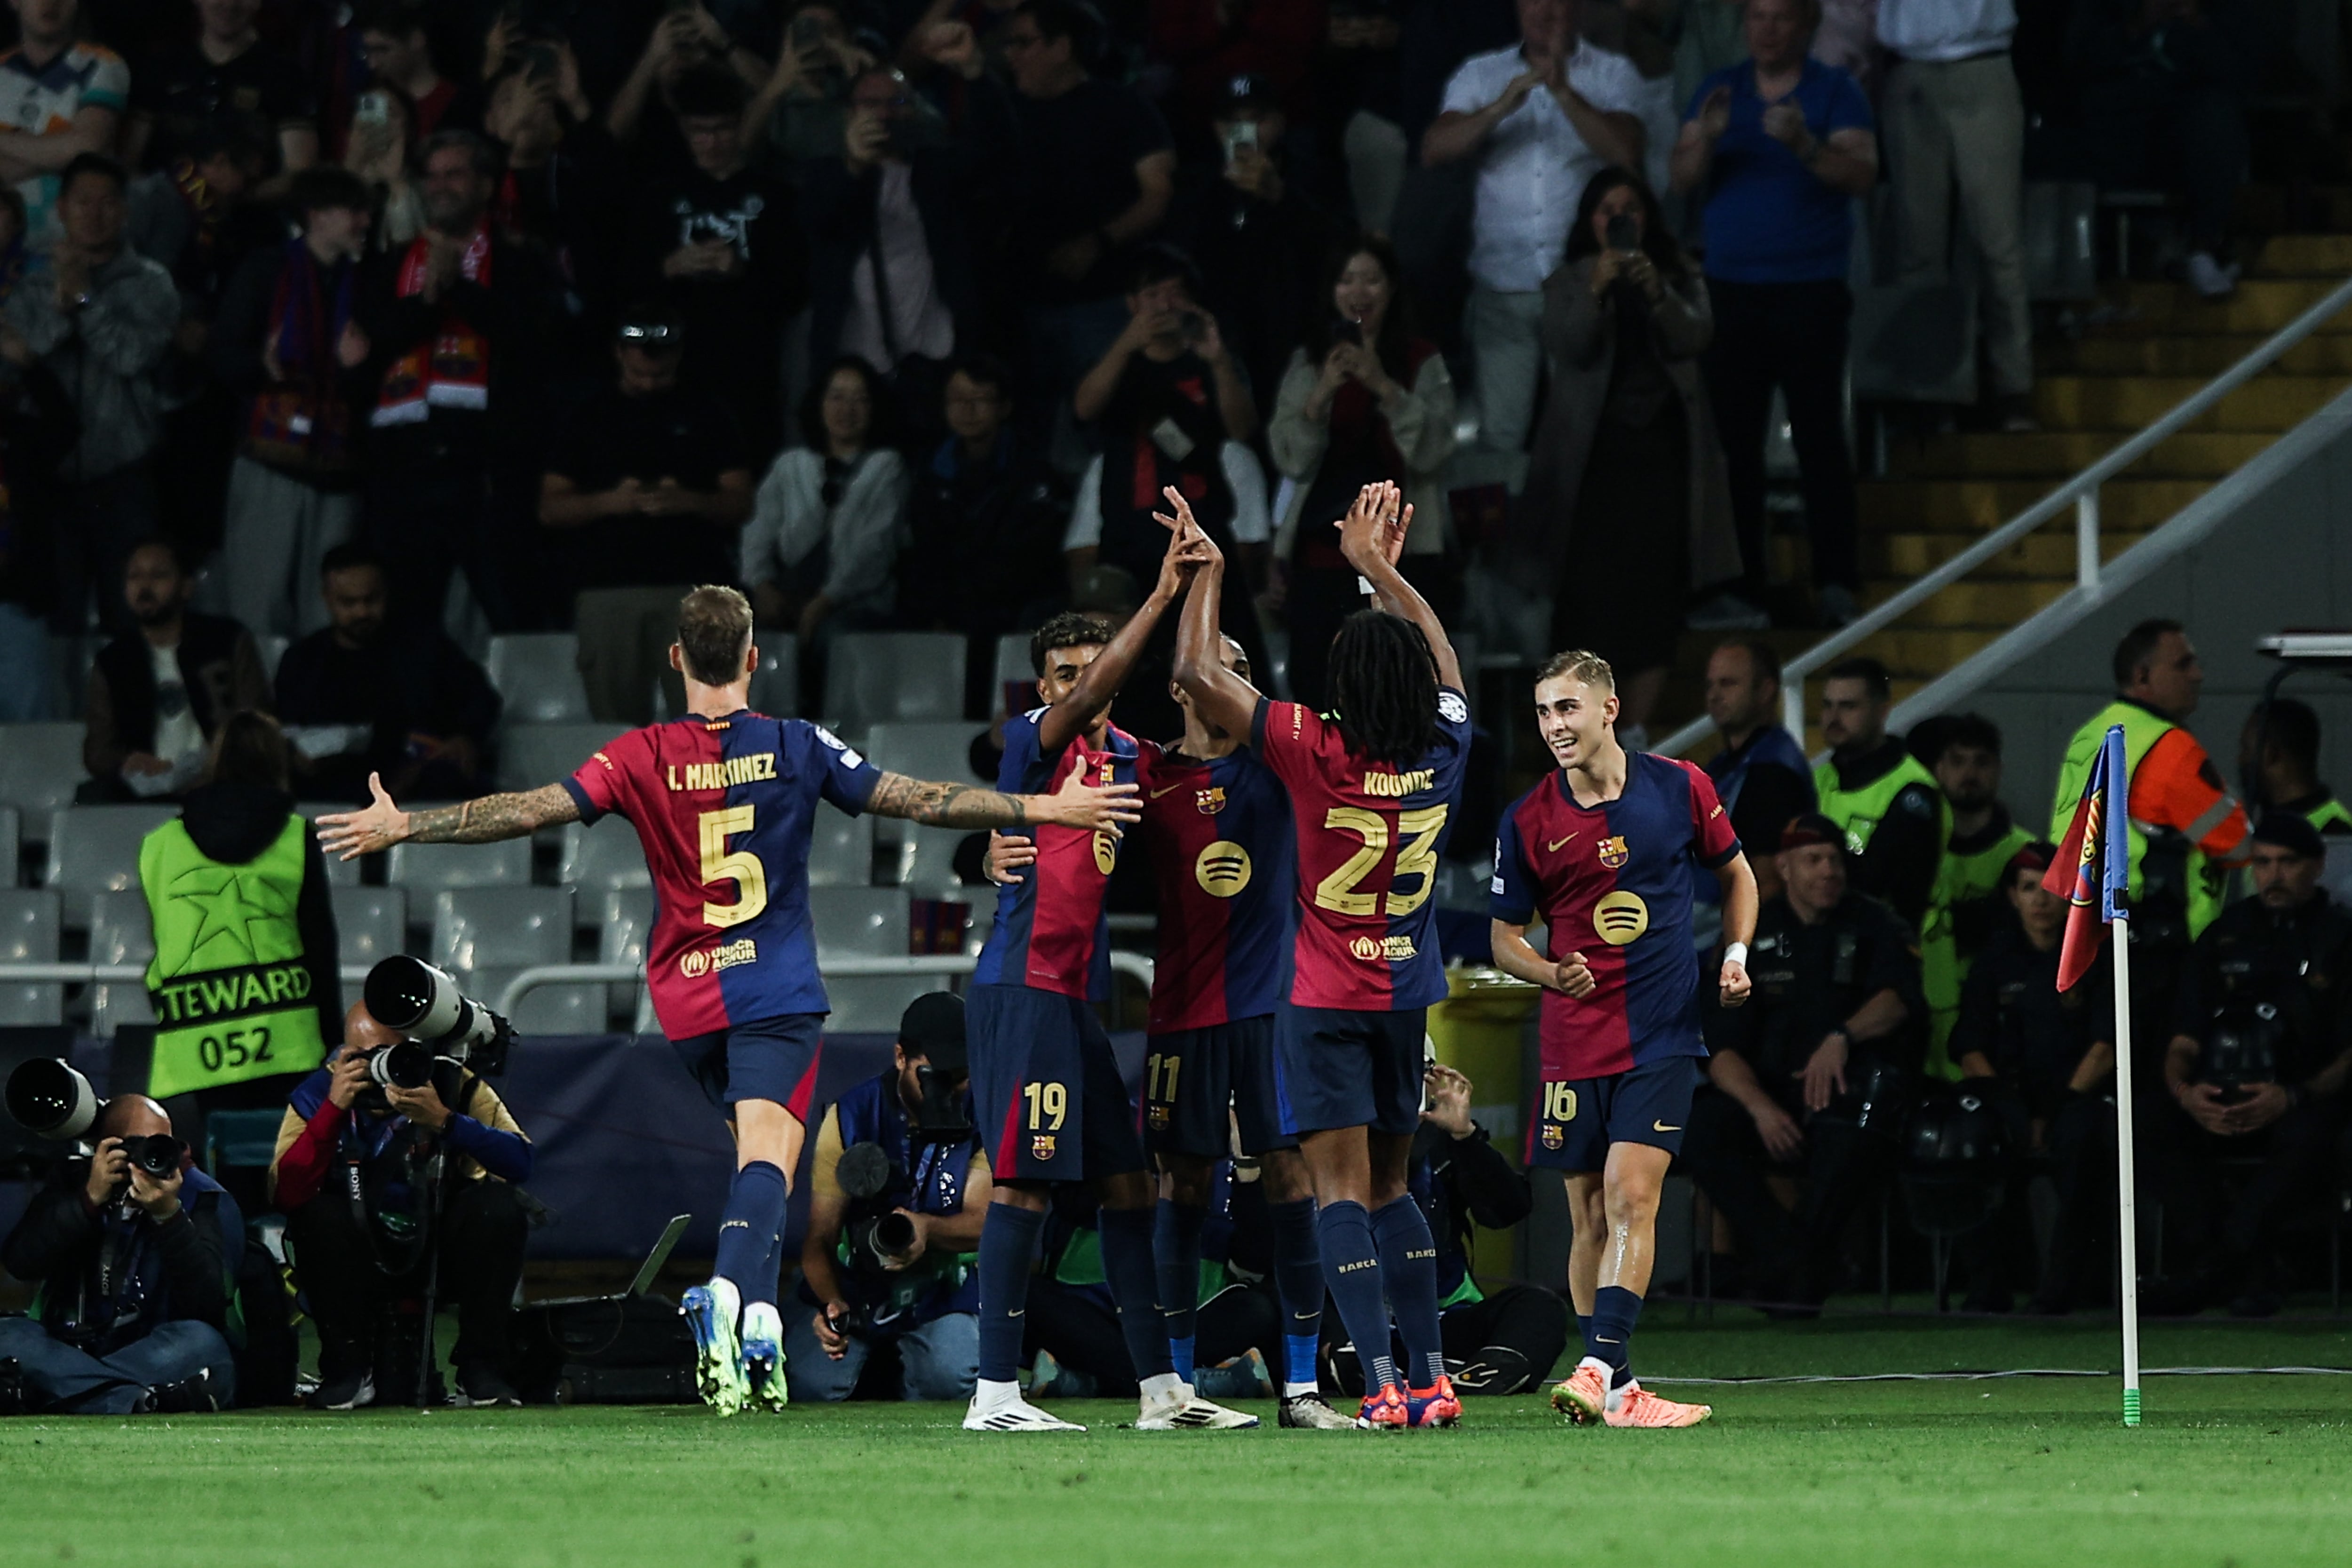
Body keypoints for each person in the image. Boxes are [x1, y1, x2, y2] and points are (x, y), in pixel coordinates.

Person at [316, 584, 1145, 1417]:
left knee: (764, 1162)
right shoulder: (795, 742)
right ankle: (727, 1295)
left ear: (676, 658)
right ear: (755, 658)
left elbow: (529, 810)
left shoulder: (635, 754)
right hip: (773, 992)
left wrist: (408, 827)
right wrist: (1047, 806)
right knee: (764, 1162)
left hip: (685, 1002)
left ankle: (749, 1308)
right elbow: (918, 798)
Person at [985, 629, 1354, 1429]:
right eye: (1217, 671)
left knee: (1292, 1179)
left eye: (1246, 672)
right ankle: (1180, 1384)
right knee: (1179, 1186)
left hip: (1273, 1008)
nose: (1235, 685)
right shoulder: (1146, 773)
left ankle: (1302, 1388)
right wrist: (998, 843)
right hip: (1181, 1012)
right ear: (1185, 688)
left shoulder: (1281, 762)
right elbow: (1050, 811)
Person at [1173, 478, 1473, 1429]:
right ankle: (1432, 1376)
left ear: (1340, 688)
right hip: (1403, 997)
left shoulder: (1309, 744)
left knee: (1339, 1190)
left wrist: (1209, 572)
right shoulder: (1445, 750)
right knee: (1394, 1186)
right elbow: (1445, 663)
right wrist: (1379, 569)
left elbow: (1192, 672)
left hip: (1322, 997)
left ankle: (1380, 1383)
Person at [956, 534, 1254, 1435]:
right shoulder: (1033, 748)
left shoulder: (1131, 756)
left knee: (1131, 1189)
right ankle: (995, 1394)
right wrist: (1164, 591)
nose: (1075, 683)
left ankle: (1163, 1391)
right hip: (1022, 989)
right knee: (1023, 1185)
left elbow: (1208, 771)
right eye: (1060, 672)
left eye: (1088, 669)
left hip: (1074, 1001)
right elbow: (1005, 820)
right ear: (1040, 685)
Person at [1488, 648, 1755, 1428]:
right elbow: (1504, 938)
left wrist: (1735, 956)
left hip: (1663, 1032)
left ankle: (1598, 1363)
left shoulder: (1680, 786)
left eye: (1567, 708)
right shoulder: (1529, 818)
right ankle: (1623, 1389)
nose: (1553, 726)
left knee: (1633, 1194)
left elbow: (1739, 874)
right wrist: (1547, 971)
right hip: (1572, 1041)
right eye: (1542, 712)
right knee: (1589, 1220)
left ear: (1609, 709)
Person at [1518, 169, 1741, 744]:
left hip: (1661, 459)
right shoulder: (1567, 279)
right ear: (1589, 221)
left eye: (1629, 207)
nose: (1618, 217)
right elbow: (1568, 344)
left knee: (1653, 602)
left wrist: (1656, 291)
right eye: (1605, 209)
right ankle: (1575, 731)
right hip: (1591, 468)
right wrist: (1597, 287)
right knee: (1587, 601)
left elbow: (1696, 336)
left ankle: (1635, 733)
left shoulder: (1676, 273)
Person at [1670, 0, 1875, 625]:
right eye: (1757, 17)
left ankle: (1836, 580)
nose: (1767, 29)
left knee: (1819, 440)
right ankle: (1741, 589)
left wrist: (1805, 147)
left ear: (1808, 25)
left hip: (1809, 288)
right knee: (1735, 446)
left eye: (1781, 17)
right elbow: (1679, 180)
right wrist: (1705, 139)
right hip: (1732, 292)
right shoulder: (1718, 89)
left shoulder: (1835, 90)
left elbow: (1863, 173)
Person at [1684, 814, 1926, 1309]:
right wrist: (1760, 1110)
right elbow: (1720, 1047)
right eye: (1813, 860)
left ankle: (1786, 1271)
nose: (1828, 871)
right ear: (1785, 867)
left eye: (1835, 860)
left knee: (1859, 1125)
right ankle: (1793, 1260)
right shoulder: (1750, 935)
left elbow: (1899, 999)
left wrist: (1841, 1036)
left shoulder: (1873, 921)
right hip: (1770, 1097)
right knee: (1702, 1126)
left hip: (1847, 1090)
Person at [270, 1001, 532, 1408]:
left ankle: (482, 1368)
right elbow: (286, 1192)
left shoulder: (451, 1081)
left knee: (498, 1206)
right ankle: (347, 1369)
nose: (377, 1069)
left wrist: (446, 1120)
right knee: (315, 1214)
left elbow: (521, 1162)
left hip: (439, 1248)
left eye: (391, 1056)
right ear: (343, 1053)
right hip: (356, 1253)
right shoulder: (321, 1088)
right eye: (363, 1057)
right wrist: (332, 1112)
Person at [353, 128, 561, 635]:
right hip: (404, 469)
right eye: (432, 176)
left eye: (455, 174)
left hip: (486, 473)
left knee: (512, 612)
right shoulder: (390, 264)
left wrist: (457, 289)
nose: (440, 185)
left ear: (487, 187)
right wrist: (427, 303)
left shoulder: (520, 259)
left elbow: (534, 339)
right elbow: (366, 345)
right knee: (405, 620)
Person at [1423, 0, 1647, 461]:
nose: (1543, 11)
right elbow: (1434, 149)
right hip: (1502, 285)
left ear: (1577, 9)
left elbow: (1627, 152)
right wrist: (1499, 107)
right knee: (1500, 441)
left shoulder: (1611, 73)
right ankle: (1506, 533)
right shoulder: (1481, 73)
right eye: (1532, 1)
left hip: (1583, 285)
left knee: (1587, 433)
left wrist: (1564, 93)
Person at [2156, 813, 2352, 1316]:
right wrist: (2185, 1095)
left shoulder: (2339, 936)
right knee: (2150, 1125)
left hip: (2301, 1097)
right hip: (2217, 1097)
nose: (2273, 875)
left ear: (2315, 866)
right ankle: (2238, 1267)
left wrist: (2291, 1096)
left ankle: (2215, 1268)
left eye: (2287, 863)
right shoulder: (2226, 933)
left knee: (2310, 1138)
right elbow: (2182, 1037)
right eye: (2261, 863)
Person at [1066, 245, 1264, 741]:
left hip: (1201, 539)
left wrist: (1217, 360)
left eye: (1173, 293)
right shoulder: (1118, 362)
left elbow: (1241, 428)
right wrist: (1125, 345)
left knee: (1224, 661)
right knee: (1126, 673)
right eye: (1151, 294)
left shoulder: (1210, 361)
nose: (1163, 305)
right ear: (1132, 302)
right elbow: (1084, 408)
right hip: (1128, 543)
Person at [2051, 619, 2252, 1087]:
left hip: (2084, 932)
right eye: (2182, 664)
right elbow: (2237, 842)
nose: (2197, 674)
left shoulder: (2089, 735)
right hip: (2155, 950)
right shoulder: (2168, 747)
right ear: (2141, 677)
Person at [1268, 234, 1457, 713]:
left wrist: (1382, 386)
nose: (1359, 292)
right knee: (1318, 681)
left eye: (1371, 279)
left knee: (1404, 678)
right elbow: (1290, 458)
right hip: (1321, 554)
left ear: (1391, 289)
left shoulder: (1421, 360)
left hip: (1403, 552)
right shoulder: (1309, 362)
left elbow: (1434, 451)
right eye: (1346, 280)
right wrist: (1322, 394)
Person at [139, 711, 340, 1157]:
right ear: (276, 762)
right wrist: (331, 1039)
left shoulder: (160, 843)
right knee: (284, 1179)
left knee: (218, 1183)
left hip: (195, 1040)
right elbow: (319, 945)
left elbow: (166, 940)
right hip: (286, 1037)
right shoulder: (296, 837)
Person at [540, 304, 753, 726]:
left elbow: (741, 502)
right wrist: (611, 502)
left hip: (695, 590)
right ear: (620, 352)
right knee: (616, 733)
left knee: (705, 727)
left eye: (660, 365)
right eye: (641, 364)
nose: (651, 373)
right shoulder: (587, 416)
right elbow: (550, 507)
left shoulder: (708, 413)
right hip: (609, 590)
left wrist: (689, 500)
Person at [5, 152, 177, 637]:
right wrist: (62, 305)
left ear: (123, 211)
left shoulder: (151, 282)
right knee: (54, 619)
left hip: (124, 476)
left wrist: (83, 299)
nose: (94, 213)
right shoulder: (33, 284)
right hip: (48, 478)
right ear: (60, 209)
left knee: (133, 618)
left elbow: (130, 357)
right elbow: (18, 361)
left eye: (106, 203)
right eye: (82, 202)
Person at [789, 993, 989, 1402]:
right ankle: (881, 1367)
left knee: (948, 1380)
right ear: (901, 1057)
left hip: (943, 1285)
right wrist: (831, 1306)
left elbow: (985, 1224)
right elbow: (819, 1237)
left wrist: (928, 1229)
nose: (948, 1089)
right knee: (810, 1383)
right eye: (934, 1075)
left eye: (960, 1076)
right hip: (860, 1284)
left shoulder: (984, 1114)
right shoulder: (849, 1116)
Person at [1947, 842, 2118, 1314]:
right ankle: (1988, 1284)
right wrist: (2013, 1110)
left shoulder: (2097, 955)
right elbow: (1968, 1047)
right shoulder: (1993, 960)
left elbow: (2106, 1046)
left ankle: (2065, 1287)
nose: (2041, 900)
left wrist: (2057, 1108)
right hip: (2007, 1101)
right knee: (1961, 1138)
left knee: (2082, 1141)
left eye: (2052, 888)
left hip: (2077, 1098)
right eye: (2029, 889)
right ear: (2011, 896)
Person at [207, 165, 373, 642]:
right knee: (260, 605)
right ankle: (259, 713)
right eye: (353, 211)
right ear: (316, 215)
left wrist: (358, 366)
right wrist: (265, 368)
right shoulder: (266, 270)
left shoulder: (366, 280)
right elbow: (222, 354)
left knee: (332, 611)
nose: (364, 221)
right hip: (271, 463)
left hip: (339, 467)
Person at [1000, 0, 1176, 444]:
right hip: (1018, 302)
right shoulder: (1004, 113)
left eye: (1024, 43)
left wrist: (1097, 243)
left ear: (1062, 47)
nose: (1011, 55)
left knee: (1101, 426)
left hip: (1103, 299)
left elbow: (1158, 192)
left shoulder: (1120, 107)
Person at [0, 1094, 241, 1414]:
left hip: (154, 1350)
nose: (148, 1157)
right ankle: (135, 1400)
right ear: (103, 1149)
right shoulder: (77, 1182)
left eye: (160, 1144)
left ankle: (54, 1393)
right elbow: (21, 1262)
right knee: (9, 1334)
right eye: (135, 1146)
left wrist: (168, 1215)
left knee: (204, 1342)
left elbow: (208, 1306)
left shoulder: (203, 1196)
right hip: (71, 1345)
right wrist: (87, 1200)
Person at [801, 54, 1010, 385]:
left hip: (934, 353)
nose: (885, 114)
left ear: (914, 109)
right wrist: (854, 165)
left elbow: (994, 148)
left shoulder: (934, 170)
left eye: (897, 102)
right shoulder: (827, 171)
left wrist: (975, 73)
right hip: (854, 362)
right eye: (871, 103)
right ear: (849, 112)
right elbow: (821, 220)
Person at [1876, 0, 2035, 429]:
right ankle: (1930, 389)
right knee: (1918, 248)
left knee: (1998, 244)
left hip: (1983, 65)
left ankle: (2013, 386)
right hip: (1909, 68)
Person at [630, 66, 802, 460]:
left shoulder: (777, 198)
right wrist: (669, 267)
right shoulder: (658, 198)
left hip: (750, 370)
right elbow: (623, 286)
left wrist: (742, 270)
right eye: (698, 131)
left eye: (722, 129)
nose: (710, 142)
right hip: (674, 368)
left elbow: (793, 291)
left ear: (742, 124)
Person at [897, 353, 1069, 715]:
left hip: (1009, 611)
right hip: (947, 612)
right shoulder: (930, 472)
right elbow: (925, 552)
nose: (967, 410)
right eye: (958, 400)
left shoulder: (1034, 472)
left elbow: (1029, 558)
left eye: (980, 400)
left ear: (1004, 406)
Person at [273, 543, 501, 803]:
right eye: (349, 603)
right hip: (332, 781)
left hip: (415, 776)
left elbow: (481, 699)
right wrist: (296, 755)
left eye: (371, 600)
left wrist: (465, 738)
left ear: (386, 593)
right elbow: (283, 727)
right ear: (327, 597)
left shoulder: (423, 648)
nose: (361, 612)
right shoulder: (303, 659)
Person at [2068, 0, 2260, 299]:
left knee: (2214, 116)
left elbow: (2240, 75)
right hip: (2115, 125)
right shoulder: (2100, 12)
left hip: (2181, 130)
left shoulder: (2219, 14)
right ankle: (2082, 276)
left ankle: (2203, 250)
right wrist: (2139, 25)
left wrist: (2197, 25)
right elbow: (2074, 65)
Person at [1403, 1058, 1567, 1396]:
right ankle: (1375, 1367)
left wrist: (1466, 1137)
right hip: (1361, 1323)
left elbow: (1508, 1210)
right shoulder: (1329, 1138)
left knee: (1539, 1306)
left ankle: (1474, 1375)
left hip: (1445, 1316)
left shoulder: (1438, 1136)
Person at [1177, 72, 1337, 413]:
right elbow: (1186, 260)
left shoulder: (1314, 176)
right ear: (1216, 127)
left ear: (1280, 122)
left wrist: (1279, 195)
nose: (1244, 132)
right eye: (1232, 122)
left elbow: (1339, 249)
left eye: (1257, 119)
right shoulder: (1197, 185)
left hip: (1297, 342)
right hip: (1227, 344)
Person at [740, 356, 910, 659]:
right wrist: (763, 587)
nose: (847, 409)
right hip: (789, 595)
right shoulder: (790, 465)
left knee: (833, 637)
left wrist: (824, 602)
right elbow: (757, 533)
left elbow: (874, 550)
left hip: (856, 602)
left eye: (860, 400)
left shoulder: (887, 466)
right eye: (837, 397)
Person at [82, 540, 270, 803]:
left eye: (158, 575)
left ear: (186, 587)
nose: (144, 587)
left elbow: (257, 723)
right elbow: (97, 751)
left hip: (220, 782)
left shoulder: (226, 640)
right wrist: (127, 761)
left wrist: (217, 766)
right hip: (145, 790)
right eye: (134, 576)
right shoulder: (114, 661)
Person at [1917, 713, 2033, 1075]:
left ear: (1998, 769)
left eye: (1981, 761)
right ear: (1937, 768)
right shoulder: (1917, 851)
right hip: (1921, 1021)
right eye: (1957, 760)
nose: (1969, 772)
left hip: (1998, 1025)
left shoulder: (2027, 854)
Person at [1814, 655, 1947, 930]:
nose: (1834, 718)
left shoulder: (1913, 792)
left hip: (1889, 952)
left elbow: (1887, 887)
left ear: (1882, 710)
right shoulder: (1816, 780)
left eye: (1848, 706)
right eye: (1828, 706)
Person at [125, 0, 318, 183]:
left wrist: (236, 196)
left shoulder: (285, 74)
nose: (229, 4)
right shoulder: (162, 67)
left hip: (253, 214)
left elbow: (299, 175)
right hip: (164, 209)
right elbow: (128, 162)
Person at [1698, 636, 1816, 906]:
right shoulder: (1724, 765)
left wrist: (1732, 944)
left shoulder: (1774, 772)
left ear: (1765, 691)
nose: (1714, 696)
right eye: (1710, 685)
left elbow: (1767, 881)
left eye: (1728, 684)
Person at [0, 0, 128, 245]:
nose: (50, 3)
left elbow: (86, 147)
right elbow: (73, 151)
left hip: (73, 246)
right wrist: (59, 152)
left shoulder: (101, 64)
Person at [2239, 698, 2352, 838]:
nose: (2240, 759)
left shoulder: (2335, 833)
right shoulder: (2270, 824)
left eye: (2246, 750)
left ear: (2270, 755)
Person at [353, 1, 461, 143]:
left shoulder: (457, 103)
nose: (372, 64)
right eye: (368, 51)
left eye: (383, 50)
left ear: (416, 40)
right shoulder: (373, 98)